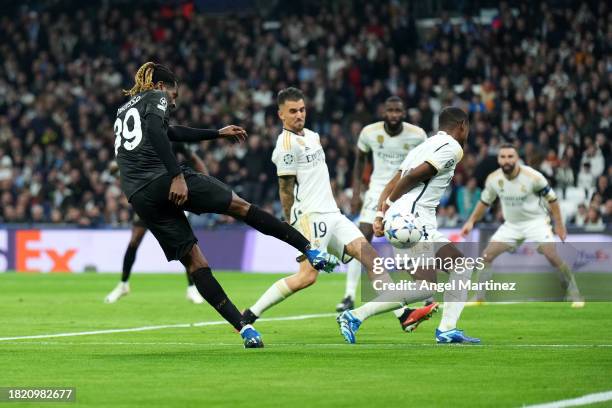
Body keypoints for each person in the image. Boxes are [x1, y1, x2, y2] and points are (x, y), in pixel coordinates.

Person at [114, 63, 338, 348]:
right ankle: (309, 248)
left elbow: (170, 132)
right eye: (174, 94)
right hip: (161, 177)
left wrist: (216, 133)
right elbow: (159, 135)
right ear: (160, 86)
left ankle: (244, 328)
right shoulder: (155, 97)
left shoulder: (123, 111)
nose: (173, 100)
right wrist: (177, 176)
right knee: (240, 206)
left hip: (139, 196)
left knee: (195, 262)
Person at [241, 88, 434, 330]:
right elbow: (285, 189)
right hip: (310, 217)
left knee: (372, 259)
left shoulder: (312, 136)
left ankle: (403, 315)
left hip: (332, 214)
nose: (299, 115)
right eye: (292, 111)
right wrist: (293, 229)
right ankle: (249, 315)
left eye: (301, 109)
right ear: (281, 114)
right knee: (307, 277)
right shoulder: (286, 144)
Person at [338, 107, 481, 344]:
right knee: (427, 286)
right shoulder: (453, 148)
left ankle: (446, 330)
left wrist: (380, 214)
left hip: (405, 218)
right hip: (412, 220)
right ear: (462, 126)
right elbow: (411, 177)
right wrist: (387, 209)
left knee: (460, 267)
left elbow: (391, 182)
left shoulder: (422, 147)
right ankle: (354, 316)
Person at [339, 96, 430, 333]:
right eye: (389, 110)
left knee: (407, 245)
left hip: (403, 194)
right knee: (361, 241)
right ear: (383, 111)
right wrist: (357, 193)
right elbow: (359, 163)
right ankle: (349, 295)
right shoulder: (369, 133)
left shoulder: (417, 135)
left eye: (397, 110)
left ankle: (422, 294)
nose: (393, 114)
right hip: (375, 193)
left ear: (404, 112)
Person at [461, 144, 584, 307]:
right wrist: (471, 221)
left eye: (510, 157)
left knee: (551, 255)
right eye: (503, 157)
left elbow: (553, 200)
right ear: (498, 159)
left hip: (536, 222)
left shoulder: (533, 177)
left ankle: (575, 295)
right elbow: (485, 202)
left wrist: (560, 225)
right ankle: (479, 298)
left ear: (517, 158)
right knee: (487, 256)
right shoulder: (494, 179)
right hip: (511, 225)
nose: (506, 160)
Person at [104, 143, 208, 304]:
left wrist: (206, 182)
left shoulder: (174, 140)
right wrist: (116, 165)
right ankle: (123, 284)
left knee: (186, 244)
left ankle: (192, 288)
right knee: (134, 241)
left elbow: (195, 160)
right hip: (149, 197)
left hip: (171, 197)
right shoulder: (145, 139)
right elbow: (120, 162)